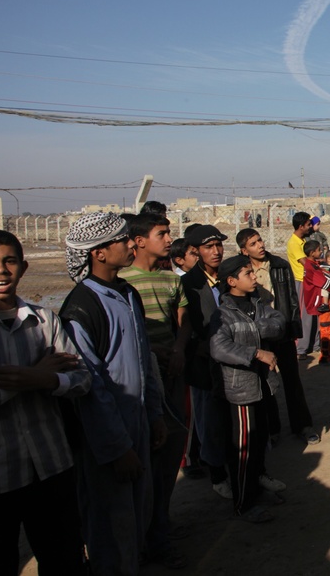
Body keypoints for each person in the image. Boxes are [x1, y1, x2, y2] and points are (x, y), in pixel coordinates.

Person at [0, 229, 91, 576]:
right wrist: (32, 378)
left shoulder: (45, 321)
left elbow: (82, 378)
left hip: (51, 465)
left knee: (63, 558)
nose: (1, 270)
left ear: (23, 268)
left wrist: (45, 380)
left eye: (9, 261)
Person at [60, 212, 167, 575]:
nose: (129, 244)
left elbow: (142, 360)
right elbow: (91, 388)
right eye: (121, 240)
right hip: (107, 440)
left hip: (137, 426)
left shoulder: (127, 293)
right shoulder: (81, 308)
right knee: (110, 528)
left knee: (137, 517)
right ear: (99, 253)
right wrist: (117, 448)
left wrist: (154, 415)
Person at [120, 213, 191, 569]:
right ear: (138, 241)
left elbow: (182, 319)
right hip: (143, 381)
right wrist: (151, 351)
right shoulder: (122, 282)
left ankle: (160, 525)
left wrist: (178, 349)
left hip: (173, 375)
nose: (168, 239)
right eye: (162, 234)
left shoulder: (169, 279)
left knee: (170, 454)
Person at [209, 255, 285, 523]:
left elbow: (278, 322)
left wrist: (255, 329)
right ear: (231, 281)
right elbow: (219, 347)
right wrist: (256, 353)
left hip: (263, 386)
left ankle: (256, 490)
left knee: (258, 443)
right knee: (243, 450)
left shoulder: (257, 305)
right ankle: (243, 503)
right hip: (240, 391)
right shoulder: (222, 314)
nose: (255, 277)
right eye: (248, 274)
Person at [238, 228, 319, 445]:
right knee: (265, 383)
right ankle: (271, 429)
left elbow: (291, 300)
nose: (260, 245)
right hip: (257, 335)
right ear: (244, 250)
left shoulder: (279, 266)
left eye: (260, 240)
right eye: (253, 244)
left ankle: (302, 425)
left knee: (292, 380)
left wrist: (293, 329)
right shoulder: (240, 270)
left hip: (280, 331)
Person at [180, 224, 233, 499]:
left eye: (218, 246)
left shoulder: (227, 278)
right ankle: (217, 475)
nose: (216, 251)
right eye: (208, 247)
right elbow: (186, 325)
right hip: (204, 362)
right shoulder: (190, 284)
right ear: (196, 252)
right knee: (209, 419)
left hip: (231, 360)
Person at [300, 239, 330, 367]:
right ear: (313, 252)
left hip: (323, 300)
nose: (321, 252)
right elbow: (324, 283)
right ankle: (326, 357)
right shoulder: (311, 267)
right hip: (321, 303)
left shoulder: (313, 264)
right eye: (319, 250)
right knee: (326, 329)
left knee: (329, 327)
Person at [286, 212, 317, 358]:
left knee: (313, 313)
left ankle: (314, 344)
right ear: (301, 226)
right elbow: (306, 263)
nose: (310, 227)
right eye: (308, 225)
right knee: (305, 315)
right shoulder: (294, 243)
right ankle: (301, 349)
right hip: (302, 281)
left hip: (309, 281)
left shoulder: (303, 241)